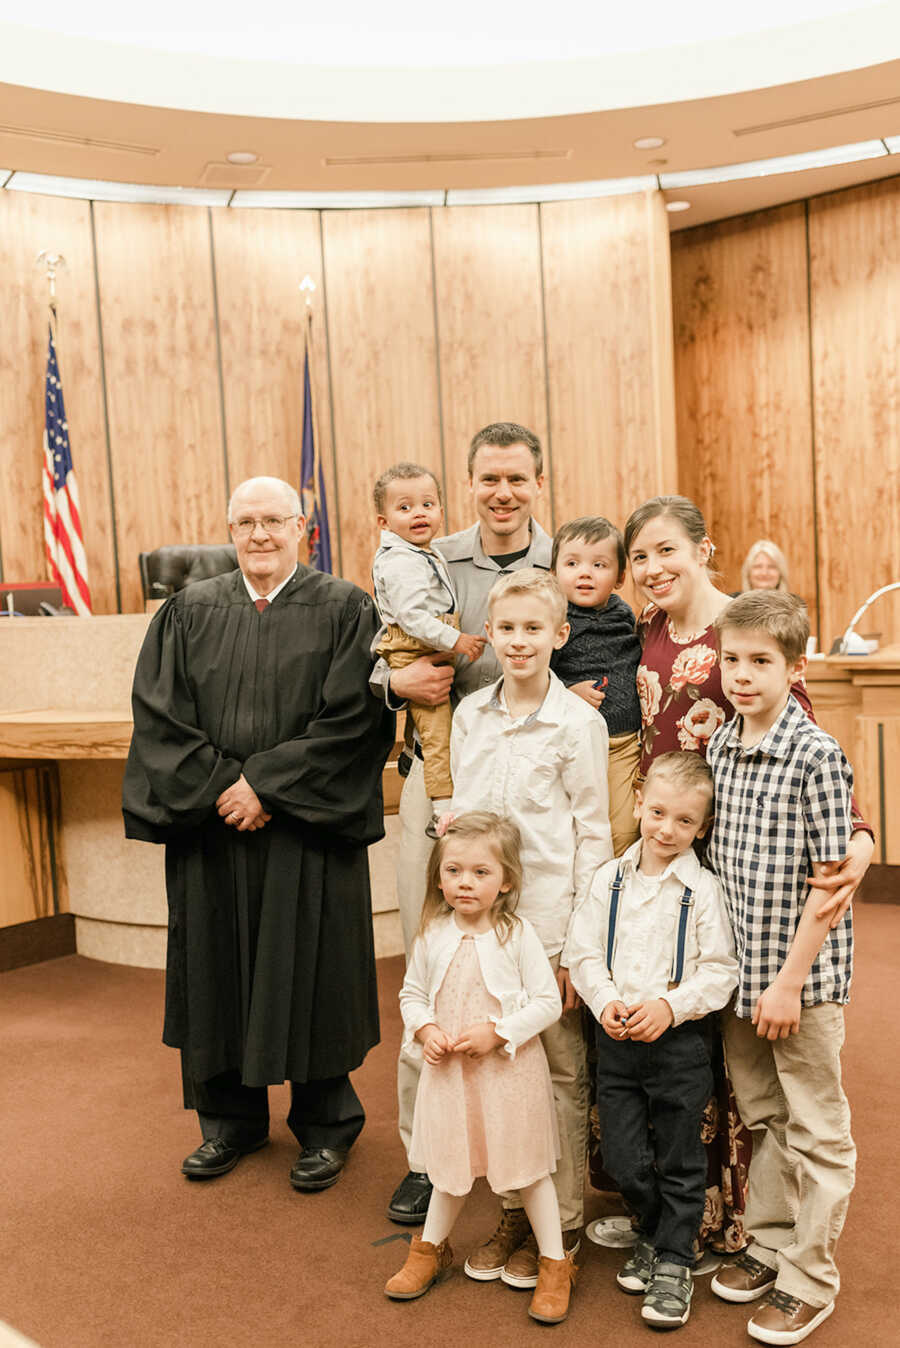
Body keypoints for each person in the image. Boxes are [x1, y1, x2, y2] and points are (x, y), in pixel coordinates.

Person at [122, 476, 395, 1191]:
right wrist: (221, 789)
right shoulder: (188, 611)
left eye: (275, 520)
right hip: (214, 831)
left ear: (302, 526)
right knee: (216, 969)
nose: (260, 535)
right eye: (246, 522)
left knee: (313, 970)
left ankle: (327, 1127)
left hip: (306, 828)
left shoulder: (345, 609)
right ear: (229, 529)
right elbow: (159, 717)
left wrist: (266, 785)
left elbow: (356, 720)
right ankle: (229, 1123)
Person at [622, 494, 873, 1251]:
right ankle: (693, 1211)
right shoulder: (648, 630)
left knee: (775, 1084)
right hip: (687, 860)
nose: (653, 567)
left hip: (754, 865)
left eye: (667, 549)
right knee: (705, 1051)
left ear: (705, 547)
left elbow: (813, 761)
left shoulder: (748, 629)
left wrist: (857, 842)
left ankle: (753, 1226)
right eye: (640, 556)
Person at [376, 422, 552, 1225]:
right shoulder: (426, 553)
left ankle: (535, 1154)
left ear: (537, 483)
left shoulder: (568, 560)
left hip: (534, 777)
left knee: (534, 952)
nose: (502, 493)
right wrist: (390, 679)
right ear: (469, 483)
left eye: (517, 478)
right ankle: (423, 1152)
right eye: (488, 479)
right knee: (432, 952)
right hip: (440, 777)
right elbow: (375, 647)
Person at [447, 568, 613, 1286]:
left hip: (548, 931)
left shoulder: (579, 724)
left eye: (532, 629)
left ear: (559, 635)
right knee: (498, 1074)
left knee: (560, 1075)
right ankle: (516, 1208)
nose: (518, 642)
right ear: (493, 632)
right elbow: (460, 823)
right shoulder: (470, 716)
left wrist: (578, 950)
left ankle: (564, 1223)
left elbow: (592, 838)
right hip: (487, 929)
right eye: (506, 629)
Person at [707, 592, 855, 1346]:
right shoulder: (721, 746)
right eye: (732, 660)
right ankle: (768, 1244)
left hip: (799, 983)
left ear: (795, 668)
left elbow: (830, 886)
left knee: (817, 1131)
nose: (742, 675)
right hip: (741, 984)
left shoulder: (817, 755)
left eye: (760, 662)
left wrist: (790, 983)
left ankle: (810, 1280)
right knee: (764, 1119)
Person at [566, 751, 738, 1331]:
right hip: (616, 1043)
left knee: (679, 1155)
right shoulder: (607, 879)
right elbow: (583, 952)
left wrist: (670, 1005)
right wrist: (603, 998)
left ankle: (672, 1260)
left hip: (678, 1047)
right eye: (658, 812)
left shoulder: (703, 890)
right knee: (621, 1155)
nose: (667, 829)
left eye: (684, 821)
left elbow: (720, 971)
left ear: (702, 827)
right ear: (639, 800)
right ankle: (651, 1226)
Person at [384, 812, 576, 1325]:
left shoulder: (517, 936)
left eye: (480, 872)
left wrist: (499, 1032)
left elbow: (545, 1002)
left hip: (509, 1078)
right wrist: (425, 1030)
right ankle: (429, 1250)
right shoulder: (432, 933)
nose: (464, 882)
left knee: (529, 1172)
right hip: (452, 1078)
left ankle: (556, 1264)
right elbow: (412, 994)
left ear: (506, 880)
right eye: (453, 871)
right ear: (439, 876)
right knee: (450, 1169)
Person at [372, 462, 485, 822]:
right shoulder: (400, 561)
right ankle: (442, 811)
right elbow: (413, 619)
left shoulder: (426, 550)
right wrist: (458, 641)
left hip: (428, 642)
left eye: (427, 504)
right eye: (404, 508)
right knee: (437, 735)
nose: (418, 513)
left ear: (440, 510)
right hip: (414, 646)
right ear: (383, 522)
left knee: (431, 727)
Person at [550, 516, 642, 856]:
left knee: (624, 828)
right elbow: (536, 677)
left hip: (623, 743)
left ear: (619, 577)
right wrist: (566, 693)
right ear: (554, 571)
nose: (584, 573)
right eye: (572, 563)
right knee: (576, 826)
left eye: (599, 565)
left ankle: (613, 889)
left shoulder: (624, 614)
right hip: (574, 744)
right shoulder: (555, 618)